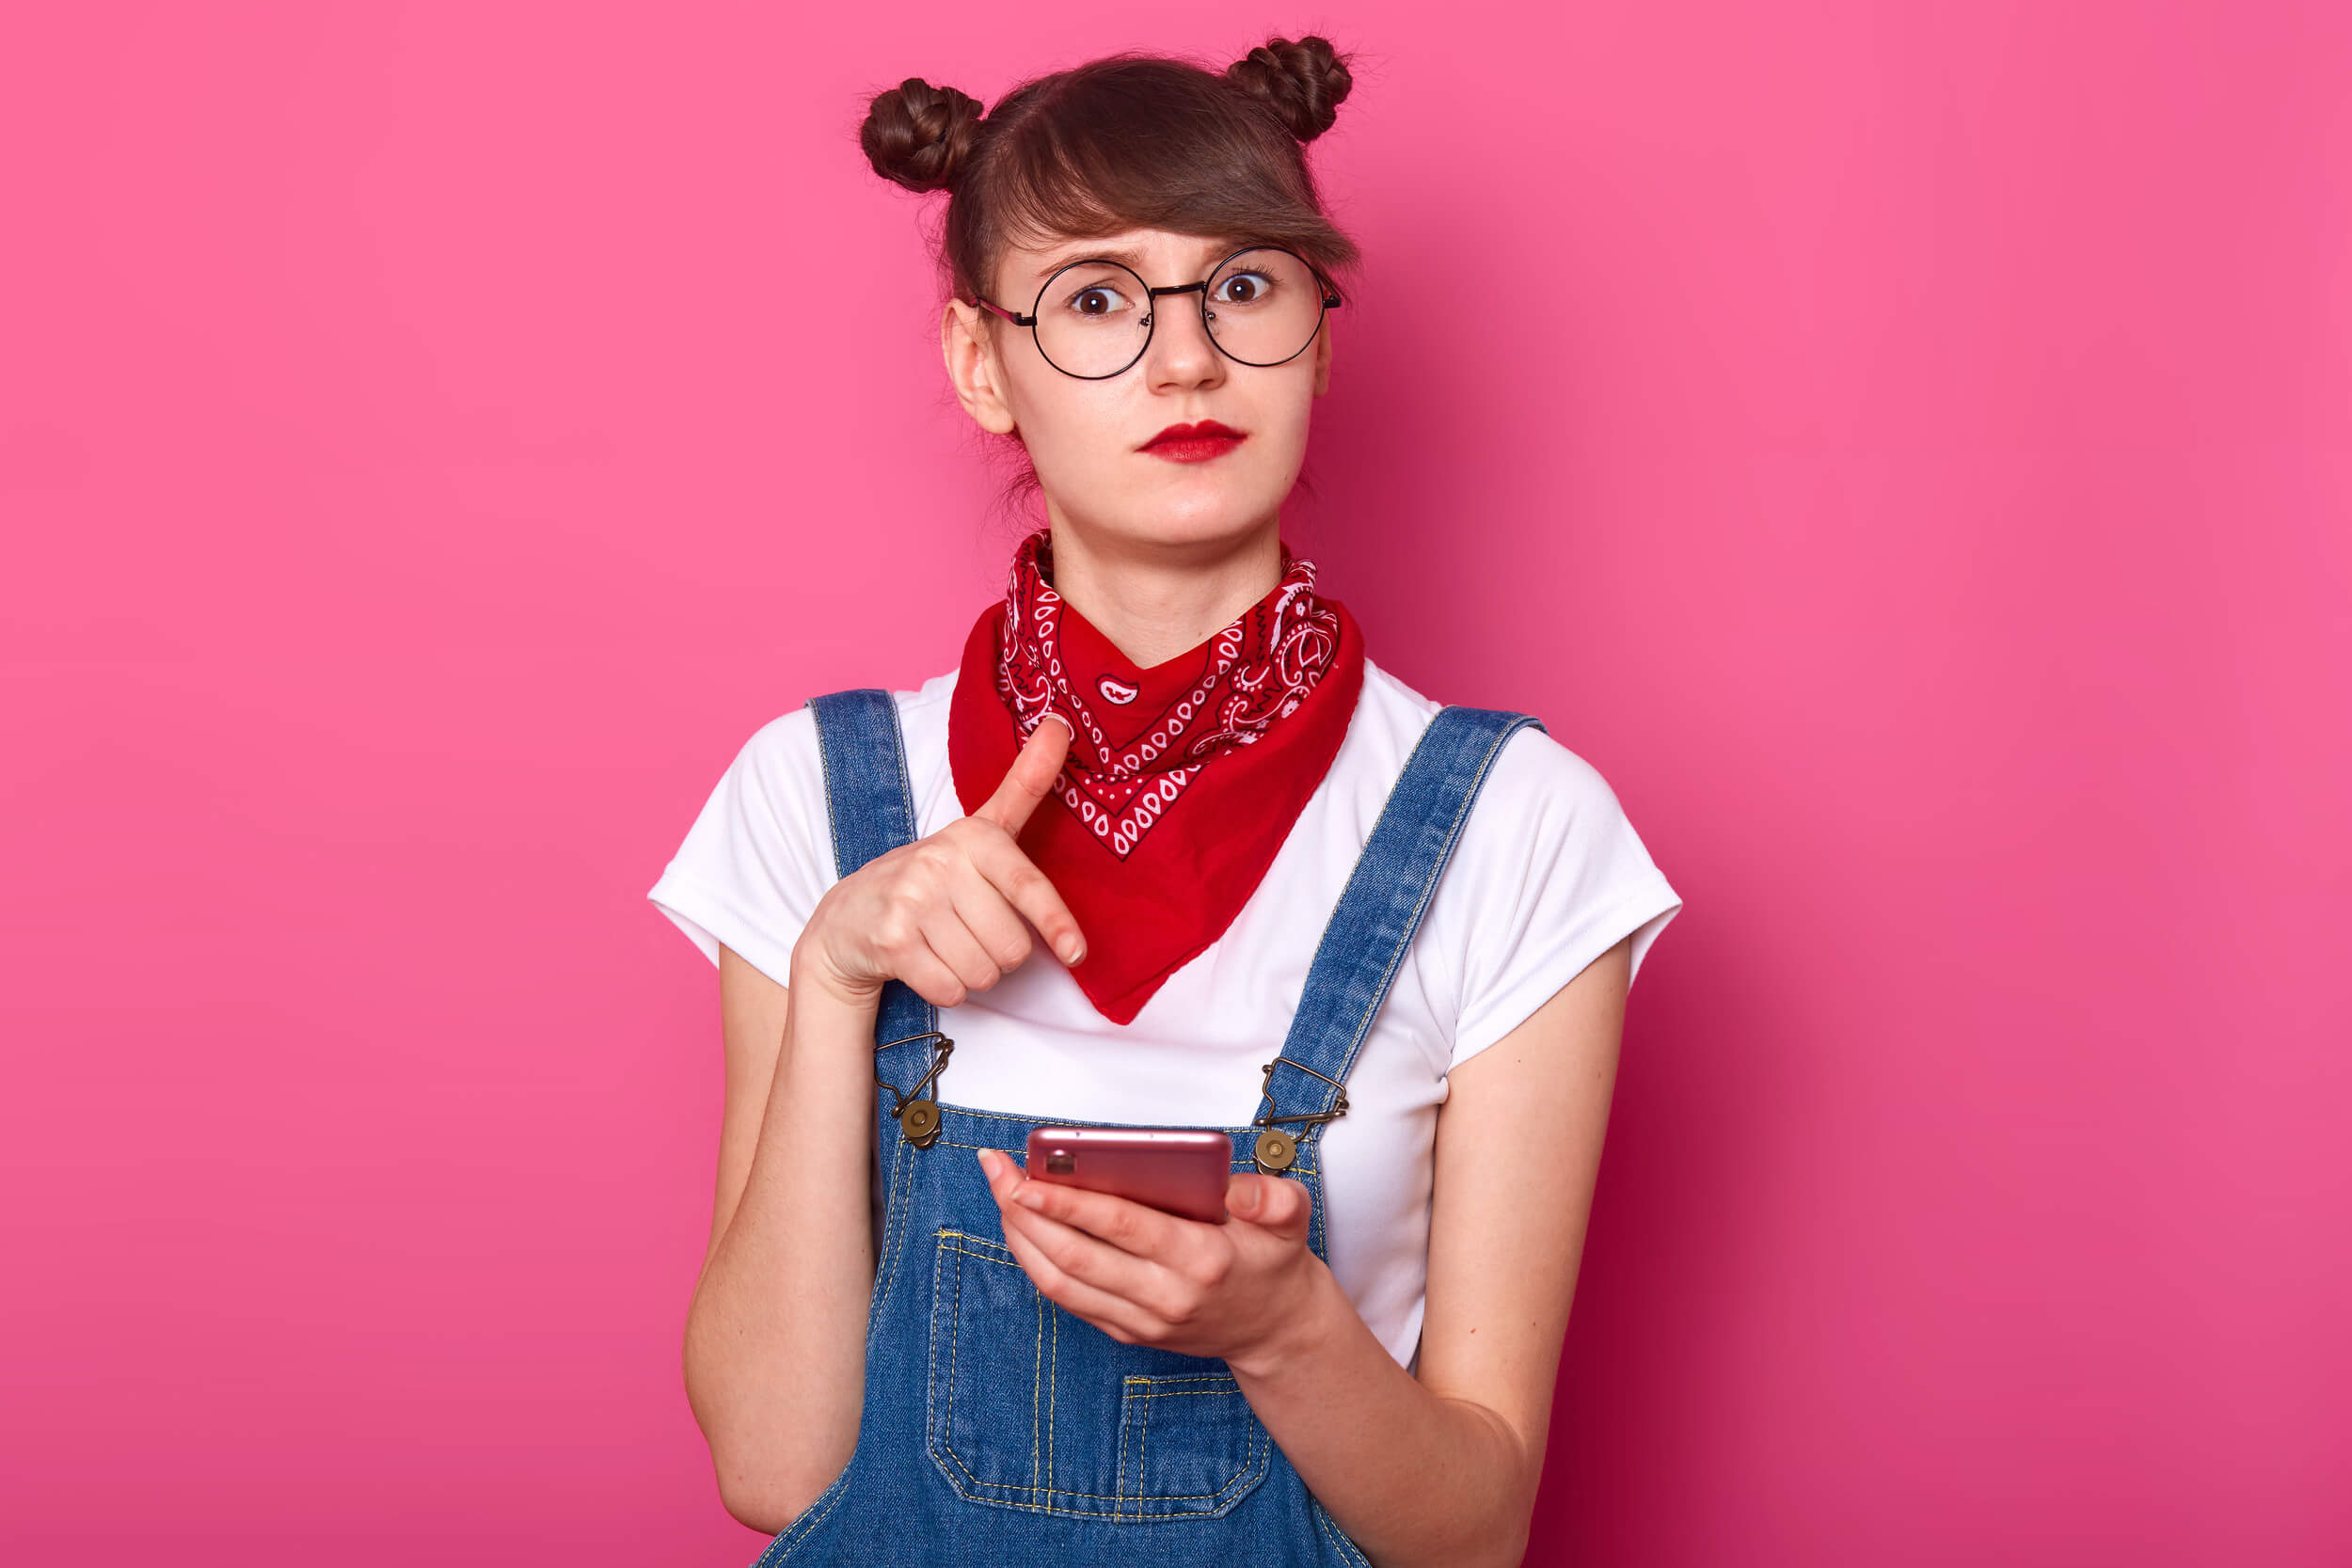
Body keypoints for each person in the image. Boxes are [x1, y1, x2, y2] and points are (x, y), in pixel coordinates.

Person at [646, 35, 1682, 1567]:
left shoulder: (1519, 829)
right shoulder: (814, 794)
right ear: (980, 364)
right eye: (1096, 300)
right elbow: (776, 1467)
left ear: (1324, 339)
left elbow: (1472, 1535)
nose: (1185, 361)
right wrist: (836, 971)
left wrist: (1284, 1333)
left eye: (1246, 286)